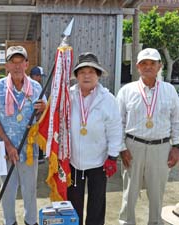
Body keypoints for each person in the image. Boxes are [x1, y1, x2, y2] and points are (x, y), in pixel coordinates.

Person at [117, 48, 179, 225]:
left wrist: (176, 147)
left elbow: (177, 121)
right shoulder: (127, 91)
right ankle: (126, 222)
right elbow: (118, 122)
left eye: (153, 63)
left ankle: (155, 222)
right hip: (133, 146)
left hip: (161, 148)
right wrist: (122, 148)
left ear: (160, 66)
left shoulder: (169, 91)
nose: (148, 67)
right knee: (130, 191)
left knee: (156, 192)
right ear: (137, 67)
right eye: (144, 63)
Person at [0, 45, 46, 225]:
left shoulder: (36, 88)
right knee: (7, 190)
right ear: (7, 66)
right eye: (13, 62)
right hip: (5, 150)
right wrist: (8, 145)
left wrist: (43, 110)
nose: (17, 66)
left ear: (27, 64)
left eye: (21, 62)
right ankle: (9, 221)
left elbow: (41, 119)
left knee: (30, 190)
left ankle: (30, 221)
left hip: (29, 150)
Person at [67, 52, 122, 225]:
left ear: (98, 75)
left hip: (100, 161)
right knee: (73, 204)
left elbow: (115, 129)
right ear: (76, 76)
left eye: (92, 71)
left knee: (97, 204)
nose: (87, 75)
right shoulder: (68, 96)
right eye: (82, 72)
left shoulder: (108, 99)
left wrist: (112, 156)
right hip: (73, 161)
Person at [30, 66, 46, 164]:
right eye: (39, 76)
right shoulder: (34, 86)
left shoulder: (37, 86)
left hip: (36, 117)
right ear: (35, 76)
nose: (40, 78)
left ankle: (39, 156)